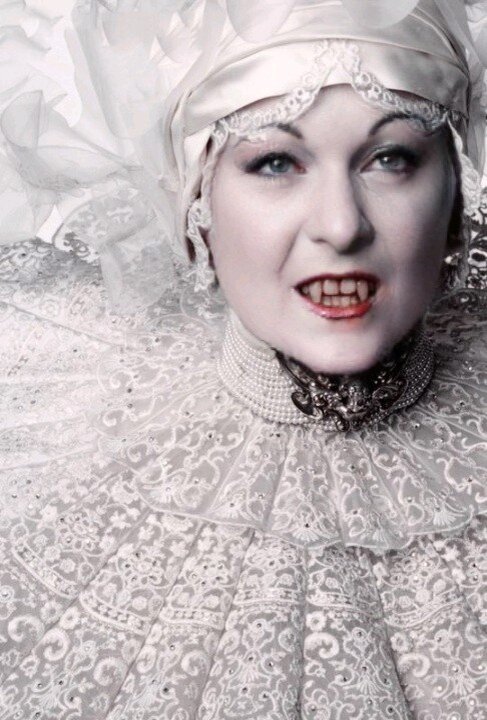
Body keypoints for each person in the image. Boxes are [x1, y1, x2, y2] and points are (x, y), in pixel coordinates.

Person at [0, 1, 486, 718]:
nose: (340, 226)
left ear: (455, 197)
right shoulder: (30, 425)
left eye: (390, 159)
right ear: (196, 203)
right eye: (275, 162)